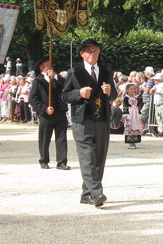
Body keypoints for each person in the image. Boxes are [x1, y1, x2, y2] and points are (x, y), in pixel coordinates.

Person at [62, 39, 117, 207]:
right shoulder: (74, 72)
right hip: (82, 120)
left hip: (102, 119)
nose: (92, 54)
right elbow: (65, 96)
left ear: (99, 52)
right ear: (82, 54)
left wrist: (110, 92)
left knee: (99, 157)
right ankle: (96, 192)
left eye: (95, 50)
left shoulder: (107, 71)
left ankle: (87, 194)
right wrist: (79, 93)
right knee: (87, 157)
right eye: (88, 51)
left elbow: (113, 95)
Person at [29, 57, 70, 170]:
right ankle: (44, 160)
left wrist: (55, 77)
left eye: (50, 64)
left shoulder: (58, 79)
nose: (50, 66)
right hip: (47, 114)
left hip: (60, 112)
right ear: (42, 68)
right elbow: (32, 99)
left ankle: (61, 162)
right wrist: (44, 108)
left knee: (61, 138)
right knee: (45, 138)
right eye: (47, 65)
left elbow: (67, 86)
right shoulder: (37, 81)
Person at [122, 82, 143, 149]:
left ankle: (135, 141)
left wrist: (139, 113)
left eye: (133, 89)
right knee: (130, 126)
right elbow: (125, 106)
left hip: (135, 114)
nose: (132, 90)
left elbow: (138, 106)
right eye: (131, 89)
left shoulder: (136, 98)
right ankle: (130, 142)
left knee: (135, 126)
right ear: (127, 90)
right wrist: (126, 114)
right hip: (130, 113)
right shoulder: (126, 98)